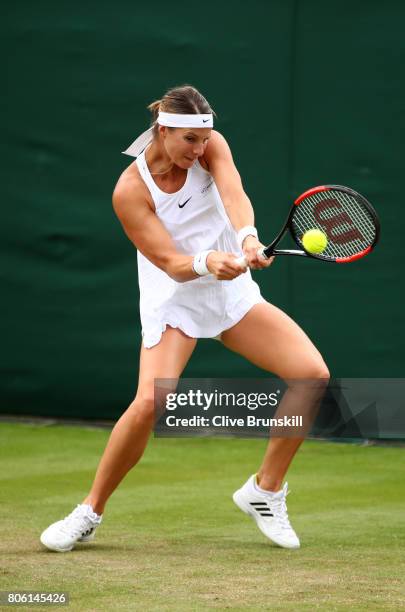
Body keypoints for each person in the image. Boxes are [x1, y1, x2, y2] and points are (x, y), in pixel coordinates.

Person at [40, 84, 329, 553]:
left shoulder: (211, 145)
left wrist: (249, 240)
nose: (199, 150)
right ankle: (89, 511)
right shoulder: (129, 190)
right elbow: (170, 262)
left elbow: (234, 192)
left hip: (229, 291)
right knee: (150, 403)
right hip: (174, 297)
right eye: (188, 141)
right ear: (162, 130)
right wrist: (206, 261)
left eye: (203, 140)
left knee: (312, 375)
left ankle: (265, 490)